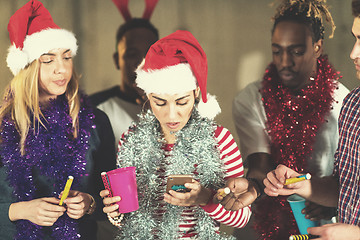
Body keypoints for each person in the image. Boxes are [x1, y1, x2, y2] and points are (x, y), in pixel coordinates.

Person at [100, 30, 251, 239]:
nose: (171, 114)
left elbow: (243, 217)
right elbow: (129, 219)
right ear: (147, 95)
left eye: (181, 102)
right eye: (159, 102)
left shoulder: (219, 140)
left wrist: (206, 198)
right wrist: (115, 212)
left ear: (196, 92)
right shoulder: (131, 140)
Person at [227, 0, 350, 239]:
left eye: (296, 51)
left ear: (317, 47)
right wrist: (253, 186)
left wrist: (335, 201)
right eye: (277, 51)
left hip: (323, 226)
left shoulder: (345, 103)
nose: (284, 62)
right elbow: (260, 164)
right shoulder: (251, 99)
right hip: (265, 226)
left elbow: (350, 178)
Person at [0, 1, 116, 239]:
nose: (61, 69)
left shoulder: (95, 121)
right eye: (48, 59)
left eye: (66, 57)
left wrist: (90, 203)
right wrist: (19, 210)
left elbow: (113, 203)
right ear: (27, 67)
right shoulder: (3, 125)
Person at [263, 0, 360, 239]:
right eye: (356, 38)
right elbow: (345, 187)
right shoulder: (353, 105)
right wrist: (301, 184)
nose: (353, 53)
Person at [90, 0, 159, 145]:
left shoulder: (177, 107)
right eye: (132, 54)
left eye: (150, 54)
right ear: (117, 60)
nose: (141, 63)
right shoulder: (94, 108)